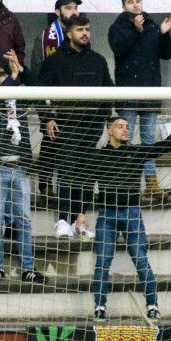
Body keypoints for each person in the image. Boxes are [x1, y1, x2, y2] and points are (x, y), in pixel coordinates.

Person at [89, 113, 171, 321]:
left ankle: (152, 305)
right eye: (120, 126)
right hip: (106, 215)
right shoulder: (99, 156)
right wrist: (80, 213)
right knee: (102, 262)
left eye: (127, 126)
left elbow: (164, 146)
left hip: (132, 213)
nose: (126, 129)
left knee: (141, 260)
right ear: (109, 131)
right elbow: (84, 185)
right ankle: (100, 306)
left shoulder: (136, 151)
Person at [37, 15, 114, 240]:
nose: (85, 33)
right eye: (80, 29)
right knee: (67, 173)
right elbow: (38, 94)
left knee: (86, 176)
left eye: (88, 29)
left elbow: (109, 92)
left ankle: (80, 220)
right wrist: (47, 119)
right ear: (69, 33)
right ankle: (62, 220)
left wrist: (102, 118)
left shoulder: (99, 60)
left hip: (91, 128)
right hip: (66, 127)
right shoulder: (54, 61)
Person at [0, 53, 47, 284]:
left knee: (23, 219)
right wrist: (12, 76)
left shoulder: (22, 106)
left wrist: (21, 68)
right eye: (5, 83)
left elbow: (36, 86)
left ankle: (28, 268)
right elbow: (5, 90)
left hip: (20, 169)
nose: (11, 86)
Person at [108, 0, 171, 201]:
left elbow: (167, 54)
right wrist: (136, 31)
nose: (136, 5)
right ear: (123, 6)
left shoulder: (152, 25)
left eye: (138, 1)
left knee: (148, 140)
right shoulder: (116, 28)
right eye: (131, 2)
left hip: (149, 92)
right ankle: (127, 182)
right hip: (128, 93)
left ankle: (151, 183)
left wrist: (164, 34)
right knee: (124, 140)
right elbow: (119, 50)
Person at [31, 0, 83, 196]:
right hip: (52, 99)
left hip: (75, 100)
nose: (74, 11)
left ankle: (69, 187)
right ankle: (45, 185)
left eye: (75, 8)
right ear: (57, 12)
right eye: (68, 8)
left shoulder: (82, 35)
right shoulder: (45, 37)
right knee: (51, 140)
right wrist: (44, 107)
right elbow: (37, 71)